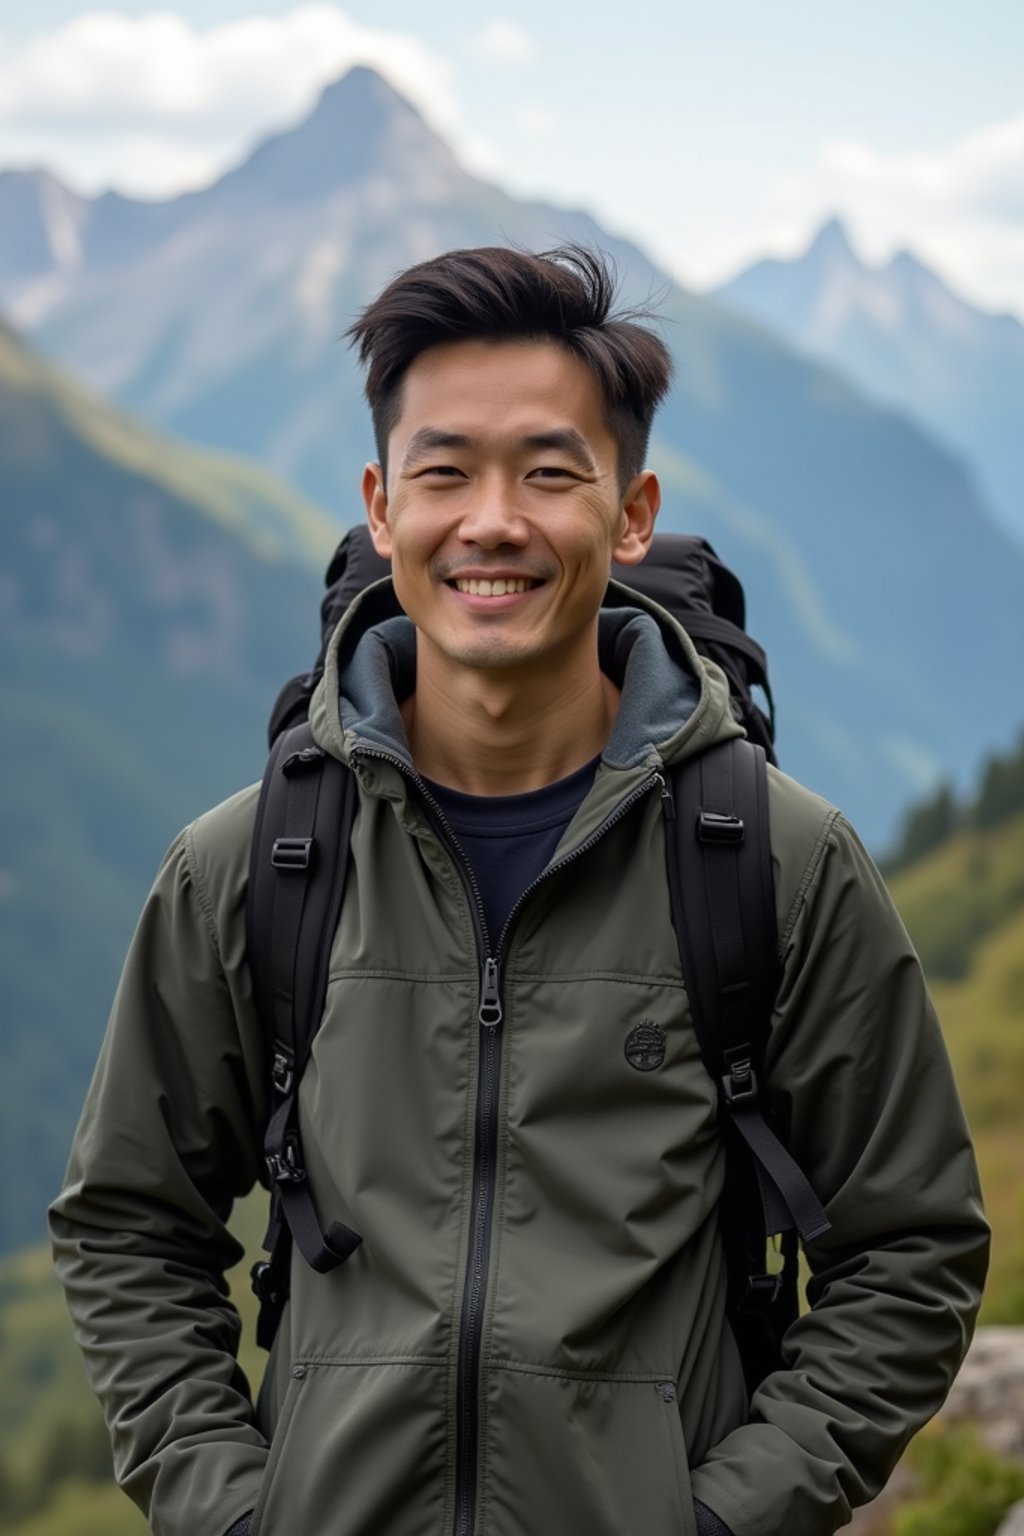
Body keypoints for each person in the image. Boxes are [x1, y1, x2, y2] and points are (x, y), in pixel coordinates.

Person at [50, 246, 988, 1536]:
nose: (493, 520)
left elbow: (912, 1250)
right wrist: (234, 1515)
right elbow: (129, 1226)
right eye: (445, 472)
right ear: (383, 508)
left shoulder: (773, 861)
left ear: (632, 511)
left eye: (550, 472)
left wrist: (723, 1522)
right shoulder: (253, 864)